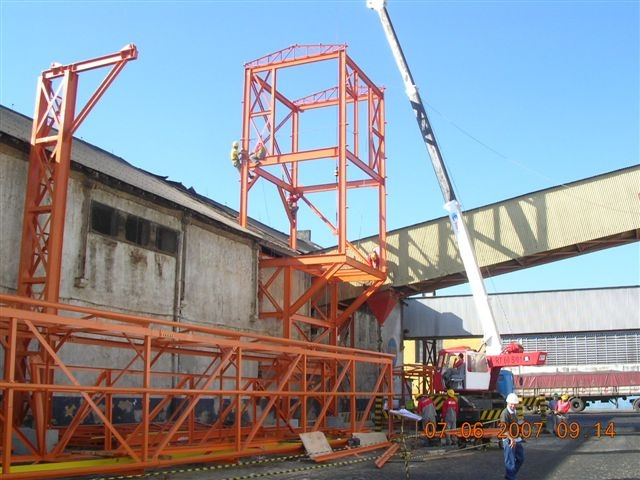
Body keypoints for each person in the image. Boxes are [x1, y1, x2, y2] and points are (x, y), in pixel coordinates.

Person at [500, 392, 525, 480]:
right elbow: (503, 429)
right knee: (510, 462)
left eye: (515, 404)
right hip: (508, 440)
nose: (513, 406)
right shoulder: (505, 413)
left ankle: (509, 476)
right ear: (507, 403)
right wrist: (511, 439)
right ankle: (511, 477)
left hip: (516, 439)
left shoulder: (514, 412)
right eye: (512, 404)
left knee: (521, 458)